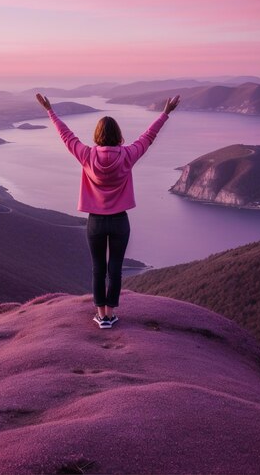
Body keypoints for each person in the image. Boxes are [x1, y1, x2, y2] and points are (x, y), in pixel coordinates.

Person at [36, 92, 180, 329]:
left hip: (95, 222)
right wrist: (165, 113)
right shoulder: (127, 155)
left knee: (98, 269)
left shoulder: (87, 156)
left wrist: (49, 110)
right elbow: (148, 137)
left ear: (97, 135)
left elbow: (66, 136)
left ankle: (100, 314)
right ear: (118, 135)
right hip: (119, 222)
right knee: (115, 269)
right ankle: (110, 315)